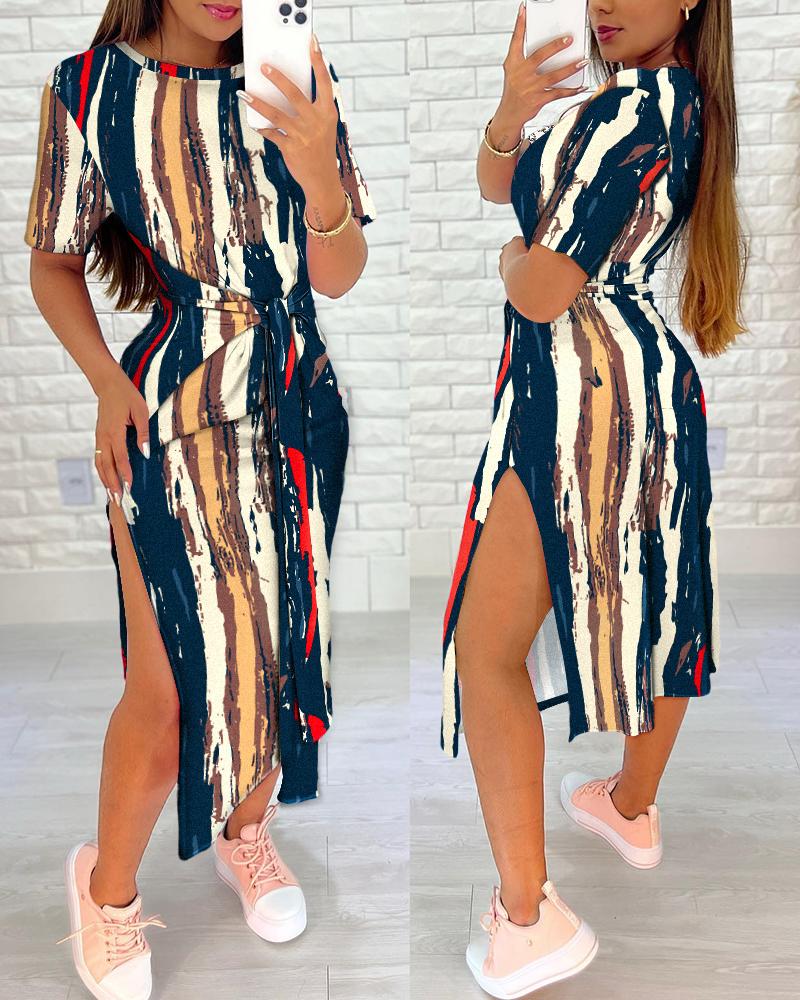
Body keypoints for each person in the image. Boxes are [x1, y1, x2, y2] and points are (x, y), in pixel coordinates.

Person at [24, 1, 376, 996]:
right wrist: (105, 382)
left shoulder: (297, 73)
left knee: (274, 656)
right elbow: (52, 260)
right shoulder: (90, 89)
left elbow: (338, 276)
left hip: (299, 409)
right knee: (171, 686)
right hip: (168, 409)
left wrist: (318, 173)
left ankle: (244, 831)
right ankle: (106, 890)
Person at [439, 1, 746, 996]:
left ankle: (527, 919)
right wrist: (510, 111)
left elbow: (537, 286)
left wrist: (507, 263)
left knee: (486, 650)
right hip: (640, 385)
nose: (603, 3)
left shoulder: (629, 113)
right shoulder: (681, 104)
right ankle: (629, 806)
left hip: (579, 392)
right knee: (662, 603)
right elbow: (501, 184)